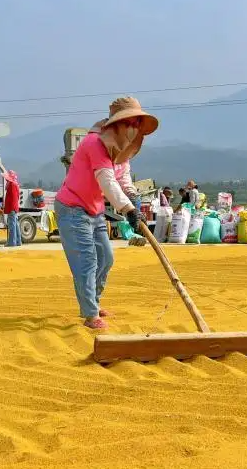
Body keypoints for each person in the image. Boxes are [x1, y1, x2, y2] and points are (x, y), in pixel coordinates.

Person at [55, 96, 158, 330]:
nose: (133, 128)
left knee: (106, 258)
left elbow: (122, 177)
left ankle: (94, 301)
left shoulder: (122, 149)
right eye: (130, 123)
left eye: (136, 124)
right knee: (87, 260)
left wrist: (132, 198)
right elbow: (107, 181)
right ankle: (90, 313)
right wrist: (128, 210)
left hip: (95, 209)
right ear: (117, 124)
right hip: (73, 207)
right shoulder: (95, 143)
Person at [3, 169, 22, 247]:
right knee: (15, 224)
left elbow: (13, 198)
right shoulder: (15, 184)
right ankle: (18, 241)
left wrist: (9, 208)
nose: (5, 179)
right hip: (14, 207)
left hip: (12, 207)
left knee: (12, 225)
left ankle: (12, 242)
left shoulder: (11, 185)